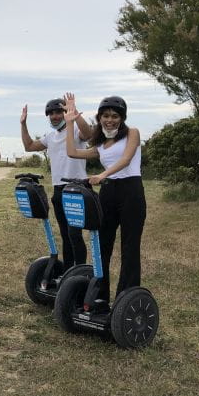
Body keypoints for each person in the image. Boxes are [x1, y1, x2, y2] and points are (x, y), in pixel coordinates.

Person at [63, 93, 145, 301]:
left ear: (122, 118)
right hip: (108, 192)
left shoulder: (132, 133)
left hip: (131, 191)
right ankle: (100, 294)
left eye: (115, 116)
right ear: (99, 118)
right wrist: (70, 123)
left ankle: (125, 297)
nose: (110, 120)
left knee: (130, 245)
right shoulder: (100, 146)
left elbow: (126, 160)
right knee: (102, 244)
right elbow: (72, 152)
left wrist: (103, 174)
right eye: (105, 116)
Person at [20, 94, 93, 267]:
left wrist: (74, 113)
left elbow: (89, 134)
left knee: (74, 233)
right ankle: (68, 270)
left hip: (77, 187)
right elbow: (29, 146)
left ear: (65, 112)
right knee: (65, 234)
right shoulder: (50, 136)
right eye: (51, 113)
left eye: (58, 112)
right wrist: (23, 124)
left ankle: (80, 271)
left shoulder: (74, 130)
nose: (55, 116)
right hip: (59, 189)